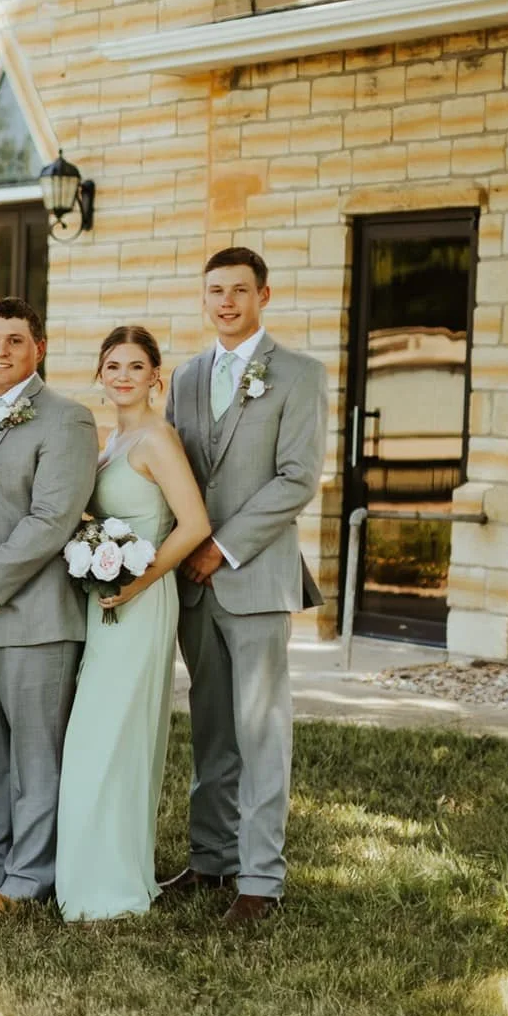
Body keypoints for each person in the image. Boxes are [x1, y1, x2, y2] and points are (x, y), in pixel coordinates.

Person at [164, 247, 326, 925]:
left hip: (254, 577)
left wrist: (221, 547)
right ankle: (211, 858)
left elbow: (297, 478)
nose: (226, 302)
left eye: (238, 290)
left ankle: (260, 880)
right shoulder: (186, 376)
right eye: (215, 291)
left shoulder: (300, 374)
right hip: (193, 584)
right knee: (210, 726)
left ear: (264, 295)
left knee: (261, 731)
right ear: (204, 299)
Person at [0, 297, 98, 920]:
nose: (0, 351)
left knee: (36, 756)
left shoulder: (67, 419)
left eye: (14, 340)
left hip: (34, 616)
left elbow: (52, 517)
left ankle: (30, 878)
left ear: (39, 348)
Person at [54, 327, 211, 922]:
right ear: (100, 375)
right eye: (113, 365)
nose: (123, 376)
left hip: (140, 600)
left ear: (155, 377)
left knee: (113, 733)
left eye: (136, 366)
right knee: (96, 735)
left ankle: (111, 885)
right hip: (108, 597)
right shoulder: (113, 439)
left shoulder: (158, 439)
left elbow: (194, 525)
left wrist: (137, 583)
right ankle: (94, 869)